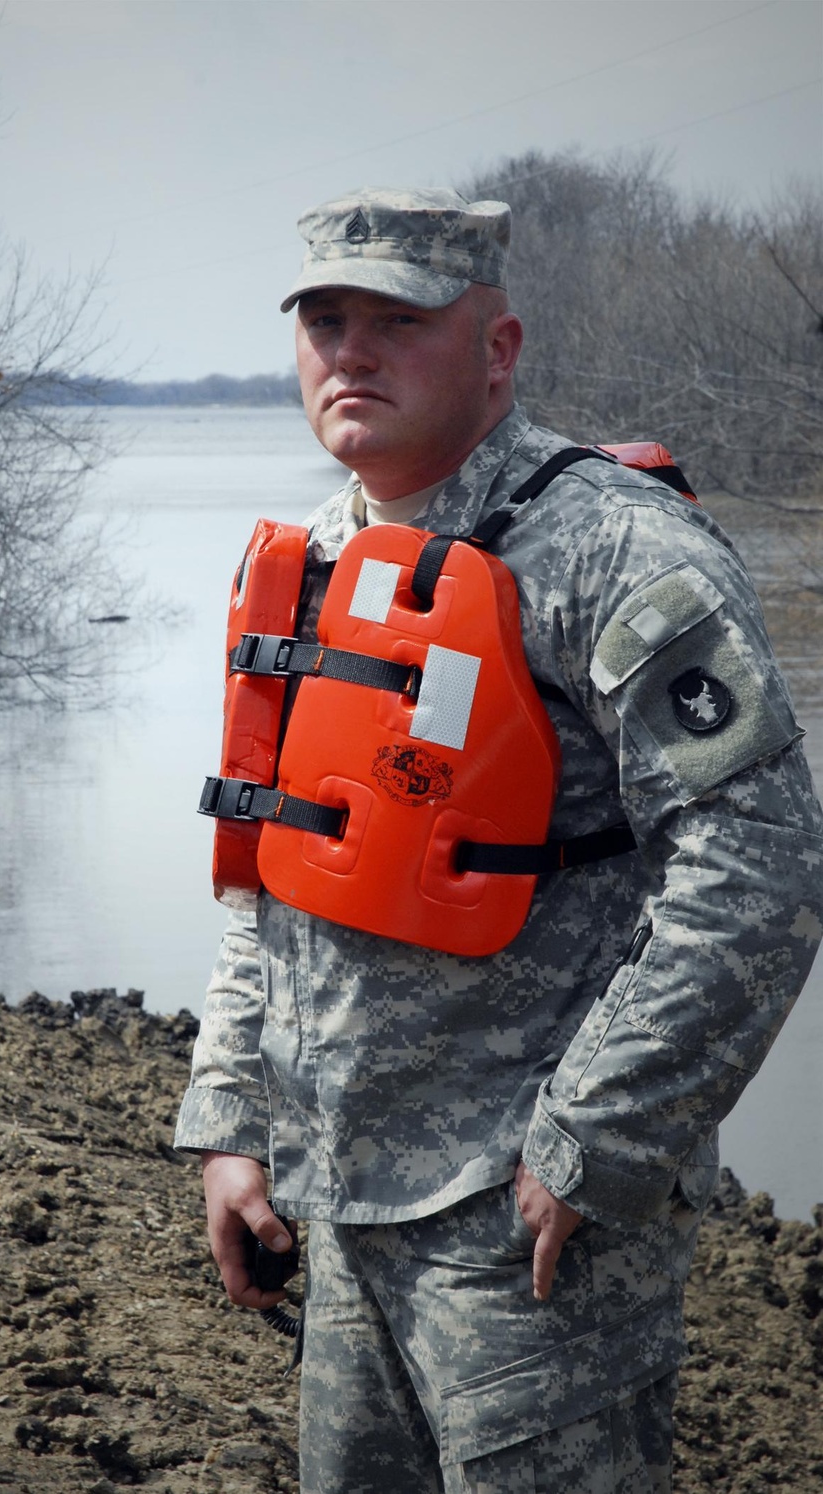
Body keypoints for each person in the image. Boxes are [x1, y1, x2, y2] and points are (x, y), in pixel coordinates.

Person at [175, 186, 823, 1493]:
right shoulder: (312, 567)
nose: (351, 352)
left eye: (398, 320)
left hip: (532, 1226)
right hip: (344, 1209)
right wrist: (235, 1117)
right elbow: (276, 878)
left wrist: (598, 1140)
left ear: (497, 350)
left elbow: (759, 861)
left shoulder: (612, 552)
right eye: (326, 319)